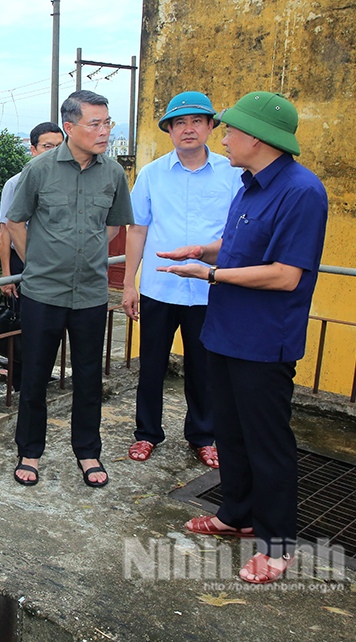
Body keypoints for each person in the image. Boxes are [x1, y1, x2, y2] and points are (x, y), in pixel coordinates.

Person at [159, 91, 328, 584]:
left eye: (229, 130)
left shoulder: (301, 191)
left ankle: (277, 545)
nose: (223, 137)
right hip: (225, 332)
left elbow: (285, 275)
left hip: (262, 340)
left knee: (267, 441)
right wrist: (207, 251)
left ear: (256, 138)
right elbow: (240, 246)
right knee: (229, 433)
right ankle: (236, 513)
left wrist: (209, 276)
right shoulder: (250, 184)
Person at [6, 90, 133, 488]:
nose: (104, 131)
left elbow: (114, 225)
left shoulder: (113, 172)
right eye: (95, 123)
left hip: (92, 295)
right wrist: (39, 263)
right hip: (43, 294)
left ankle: (88, 452)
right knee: (35, 378)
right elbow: (14, 222)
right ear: (70, 127)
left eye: (107, 122)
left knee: (88, 378)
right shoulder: (40, 169)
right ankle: (29, 451)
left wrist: (88, 252)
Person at [122, 92, 241, 468]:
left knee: (205, 369)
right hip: (160, 287)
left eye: (196, 122)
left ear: (210, 127)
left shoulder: (233, 174)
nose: (188, 129)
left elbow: (238, 234)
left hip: (210, 287)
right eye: (179, 123)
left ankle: (203, 436)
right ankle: (146, 434)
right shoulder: (152, 174)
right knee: (151, 365)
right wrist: (129, 283)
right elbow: (137, 230)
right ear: (169, 130)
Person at [0, 122, 64, 392]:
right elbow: (6, 230)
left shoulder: (68, 181)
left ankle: (43, 377)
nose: (54, 152)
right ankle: (22, 383)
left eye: (59, 147)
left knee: (53, 326)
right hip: (24, 262)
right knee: (25, 324)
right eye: (48, 146)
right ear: (33, 149)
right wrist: (7, 275)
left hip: (56, 264)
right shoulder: (16, 183)